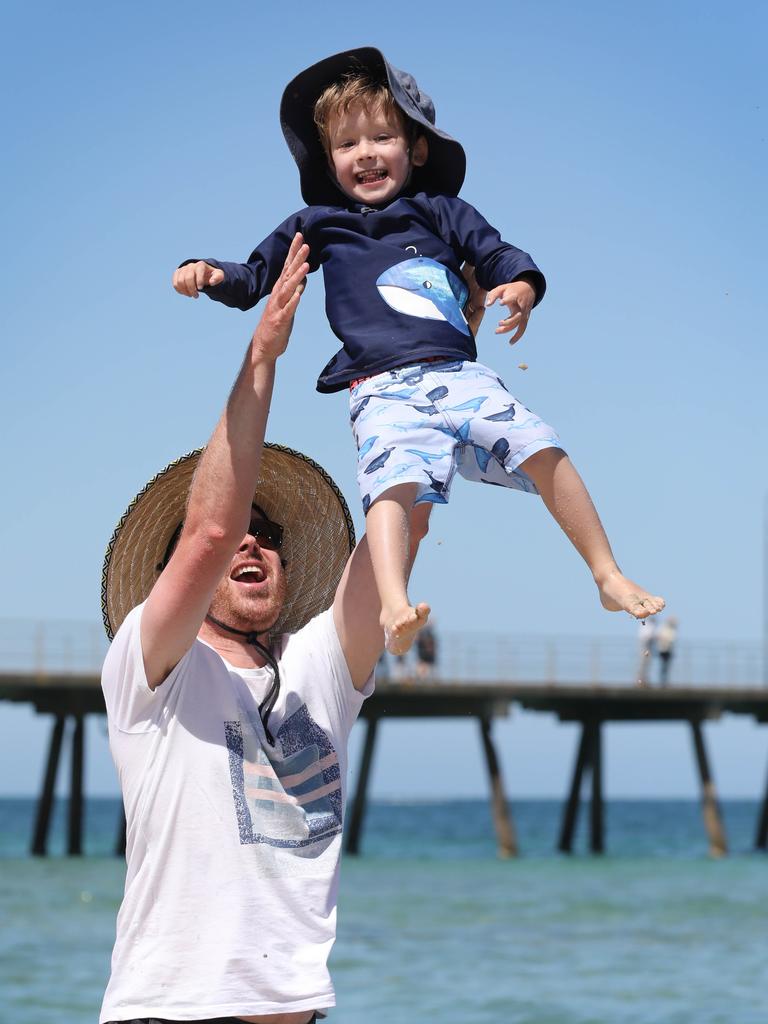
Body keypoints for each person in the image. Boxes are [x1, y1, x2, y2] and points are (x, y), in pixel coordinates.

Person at [173, 46, 665, 656]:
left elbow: (497, 252)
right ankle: (394, 603)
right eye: (349, 145)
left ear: (416, 148)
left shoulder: (440, 212)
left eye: (383, 136)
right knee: (392, 487)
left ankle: (606, 574)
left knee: (542, 446)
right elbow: (255, 276)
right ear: (329, 161)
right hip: (379, 388)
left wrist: (522, 284)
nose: (367, 154)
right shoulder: (318, 223)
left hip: (458, 372)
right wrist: (209, 274)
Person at [100, 237, 384, 1024]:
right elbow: (209, 532)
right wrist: (262, 358)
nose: (250, 542)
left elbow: (400, 538)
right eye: (239, 535)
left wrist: (428, 366)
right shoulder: (152, 669)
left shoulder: (319, 667)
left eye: (270, 535)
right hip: (172, 1013)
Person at [655, 615, 678, 686]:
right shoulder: (666, 629)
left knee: (666, 666)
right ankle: (662, 682)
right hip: (663, 650)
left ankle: (664, 681)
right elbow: (661, 637)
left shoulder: (668, 629)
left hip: (667, 650)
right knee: (664, 666)